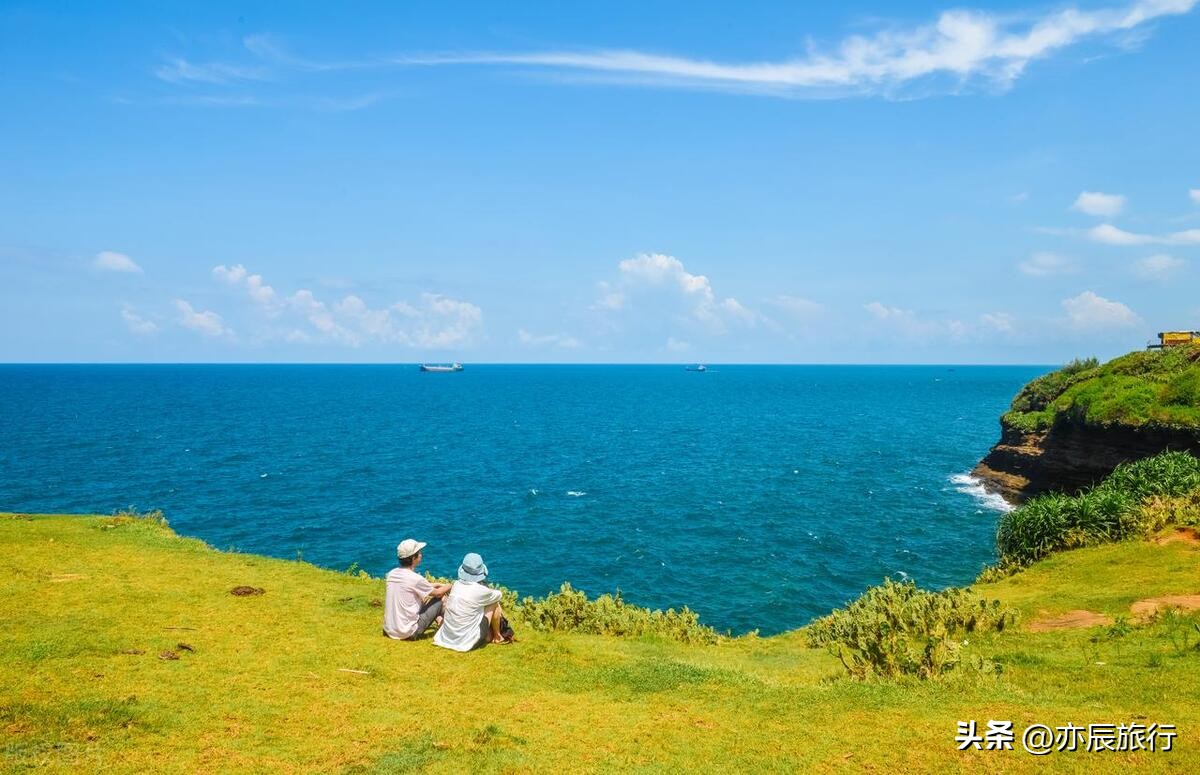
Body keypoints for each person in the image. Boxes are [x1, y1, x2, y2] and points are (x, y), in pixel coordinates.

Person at [432, 552, 510, 651]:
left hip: (447, 638)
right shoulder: (481, 591)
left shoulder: (456, 584)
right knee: (494, 603)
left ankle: (491, 635)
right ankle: (497, 636)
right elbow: (499, 594)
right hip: (466, 642)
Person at [383, 538, 452, 640]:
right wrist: (451, 585)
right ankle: (449, 628)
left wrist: (436, 584)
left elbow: (412, 585)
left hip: (389, 630)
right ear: (413, 558)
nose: (421, 555)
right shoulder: (415, 579)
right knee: (439, 600)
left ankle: (440, 621)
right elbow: (438, 593)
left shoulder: (391, 574)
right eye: (419, 553)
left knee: (423, 599)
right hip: (408, 632)